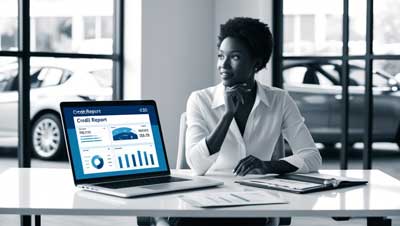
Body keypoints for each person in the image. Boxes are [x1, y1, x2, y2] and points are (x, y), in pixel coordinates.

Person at [148, 17, 322, 226]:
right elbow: (196, 164)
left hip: (254, 204)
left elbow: (312, 157)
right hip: (202, 201)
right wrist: (227, 115)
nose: (224, 65)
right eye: (221, 56)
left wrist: (268, 166)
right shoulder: (200, 99)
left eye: (235, 57)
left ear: (256, 62)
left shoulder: (279, 100)